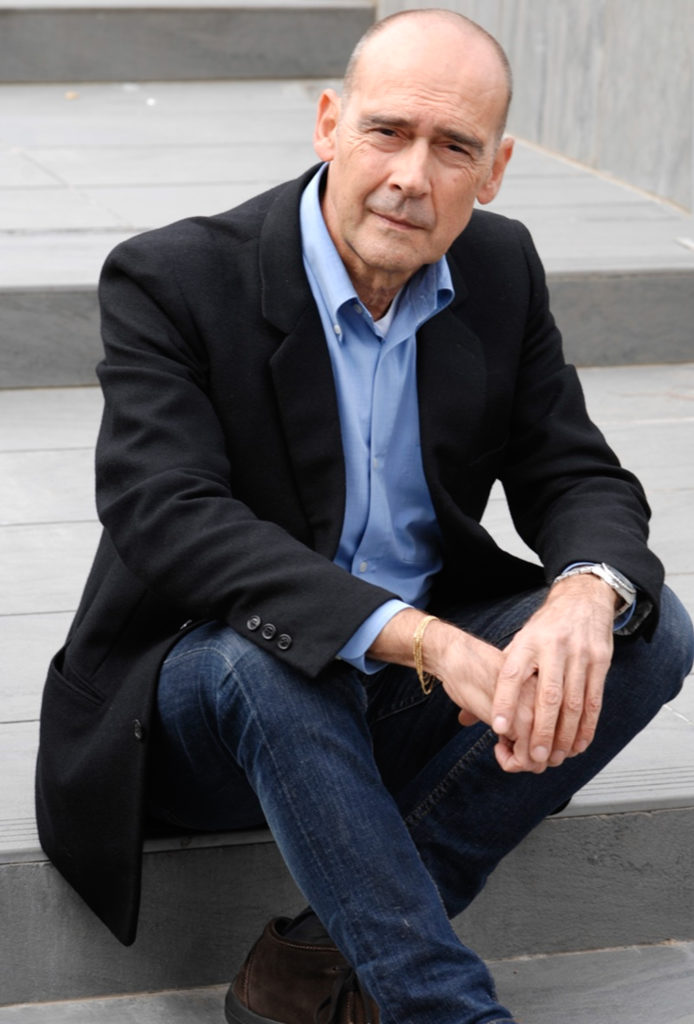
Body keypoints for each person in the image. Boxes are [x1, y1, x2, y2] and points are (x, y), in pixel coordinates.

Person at [36, 9, 693, 1024]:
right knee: (273, 660)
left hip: (397, 699)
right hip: (198, 705)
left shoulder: (499, 267)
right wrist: (423, 639)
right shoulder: (176, 278)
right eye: (387, 131)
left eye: (453, 147)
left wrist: (579, 597)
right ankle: (445, 1008)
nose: (410, 177)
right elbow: (167, 514)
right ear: (328, 124)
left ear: (495, 169)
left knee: (645, 628)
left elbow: (574, 472)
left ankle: (310, 961)